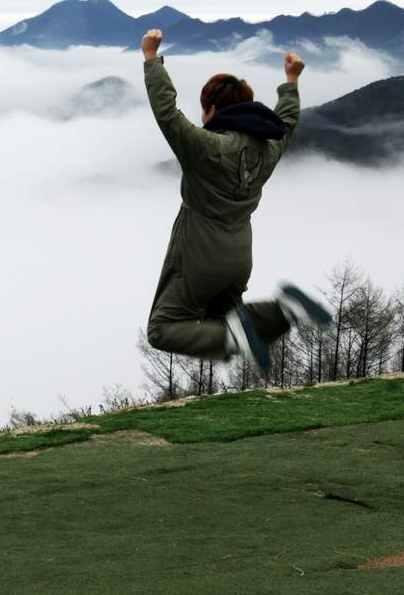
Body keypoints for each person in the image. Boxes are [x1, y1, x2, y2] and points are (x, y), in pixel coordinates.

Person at [142, 29, 332, 375]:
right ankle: (282, 309)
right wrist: (291, 81)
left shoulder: (206, 147)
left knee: (162, 329)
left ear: (212, 110)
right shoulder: (269, 148)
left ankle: (234, 336)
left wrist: (152, 60)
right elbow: (287, 121)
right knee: (233, 320)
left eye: (204, 110)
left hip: (197, 256)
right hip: (238, 259)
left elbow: (167, 115)